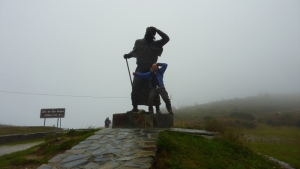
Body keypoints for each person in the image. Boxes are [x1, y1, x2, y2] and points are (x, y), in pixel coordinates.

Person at [124, 26, 170, 114]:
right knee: (135, 87)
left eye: (151, 34)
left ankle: (157, 109)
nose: (149, 36)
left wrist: (157, 30)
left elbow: (166, 38)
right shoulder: (139, 42)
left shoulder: (156, 44)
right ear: (145, 33)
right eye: (148, 34)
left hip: (152, 69)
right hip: (140, 68)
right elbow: (134, 51)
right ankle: (135, 107)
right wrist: (128, 55)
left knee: (155, 87)